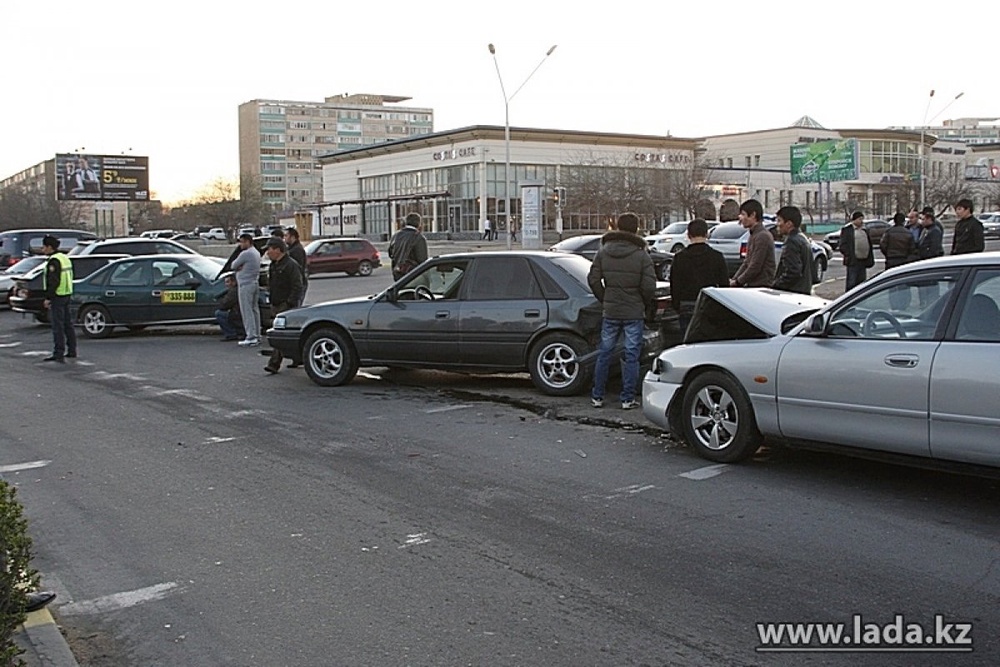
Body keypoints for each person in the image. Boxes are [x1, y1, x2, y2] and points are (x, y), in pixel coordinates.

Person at [588, 212, 656, 410]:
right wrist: (641, 301)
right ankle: (627, 398)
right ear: (636, 229)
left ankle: (597, 396)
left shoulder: (603, 252)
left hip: (611, 310)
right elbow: (649, 285)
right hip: (633, 311)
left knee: (604, 353)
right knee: (631, 355)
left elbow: (593, 279)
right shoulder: (641, 254)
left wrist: (605, 297)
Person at [669, 218, 728, 334]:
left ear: (688, 235)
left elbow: (675, 284)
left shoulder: (679, 258)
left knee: (687, 343)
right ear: (707, 234)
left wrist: (677, 305)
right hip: (709, 306)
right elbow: (724, 285)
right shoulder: (717, 257)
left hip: (686, 305)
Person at [263, 238, 304, 374]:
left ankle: (274, 364)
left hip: (285, 305)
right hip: (276, 303)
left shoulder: (290, 265)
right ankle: (298, 357)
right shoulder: (273, 265)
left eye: (270, 249)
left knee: (280, 335)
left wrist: (289, 302)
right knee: (286, 334)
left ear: (278, 250)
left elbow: (298, 286)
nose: (268, 252)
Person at [40, 235, 77, 362]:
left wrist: (48, 298)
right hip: (66, 294)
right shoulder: (64, 258)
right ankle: (72, 350)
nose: (42, 249)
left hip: (58, 296)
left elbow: (53, 281)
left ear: (49, 247)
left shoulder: (53, 261)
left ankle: (58, 352)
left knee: (58, 326)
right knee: (68, 324)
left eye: (44, 247)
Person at [730, 199, 775, 287]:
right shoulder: (753, 234)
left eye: (743, 214)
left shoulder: (762, 236)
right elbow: (746, 263)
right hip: (753, 286)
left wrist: (737, 282)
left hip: (761, 287)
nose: (740, 217)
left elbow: (755, 266)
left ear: (753, 215)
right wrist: (734, 279)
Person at [771, 205, 813, 295]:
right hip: (803, 292)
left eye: (779, 220)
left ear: (789, 224)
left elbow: (793, 272)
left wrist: (776, 285)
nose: (777, 224)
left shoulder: (791, 241)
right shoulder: (802, 238)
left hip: (792, 294)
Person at [231, 233, 262, 347]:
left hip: (245, 284)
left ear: (248, 242)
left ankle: (251, 336)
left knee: (247, 310)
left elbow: (233, 265)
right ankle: (257, 334)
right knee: (254, 310)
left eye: (242, 242)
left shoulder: (246, 254)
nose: (240, 244)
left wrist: (239, 268)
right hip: (254, 282)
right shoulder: (256, 252)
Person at [840, 211, 875, 292]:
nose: (861, 221)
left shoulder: (865, 230)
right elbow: (842, 245)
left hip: (863, 261)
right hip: (853, 261)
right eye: (860, 219)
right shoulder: (847, 230)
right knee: (851, 282)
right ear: (854, 220)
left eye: (862, 219)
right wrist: (849, 254)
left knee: (862, 283)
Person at [388, 213, 428, 281]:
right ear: (418, 223)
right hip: (413, 275)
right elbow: (422, 260)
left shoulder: (396, 236)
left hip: (397, 273)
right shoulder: (418, 237)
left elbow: (390, 253)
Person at [214, 273, 243, 341]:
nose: (226, 284)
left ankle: (231, 334)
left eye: (228, 282)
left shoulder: (233, 291)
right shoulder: (237, 289)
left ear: (233, 282)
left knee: (219, 313)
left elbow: (224, 305)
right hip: (238, 313)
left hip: (237, 314)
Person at [284, 227, 308, 306]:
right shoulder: (291, 248)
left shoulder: (296, 250)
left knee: (295, 307)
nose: (285, 238)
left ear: (293, 237)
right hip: (296, 283)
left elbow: (297, 269)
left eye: (286, 236)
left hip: (298, 284)